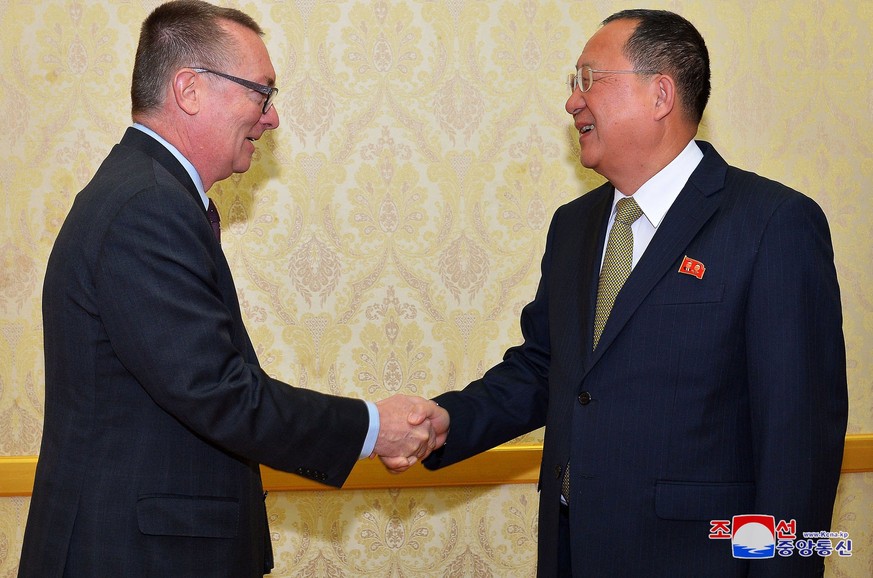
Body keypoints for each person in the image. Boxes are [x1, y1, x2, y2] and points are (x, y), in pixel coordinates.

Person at [18, 1, 448, 576]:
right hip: (133, 555)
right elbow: (217, 392)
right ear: (190, 90)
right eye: (261, 93)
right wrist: (373, 426)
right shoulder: (145, 206)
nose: (271, 119)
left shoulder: (148, 192)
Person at [419, 9, 847, 577]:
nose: (572, 102)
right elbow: (549, 370)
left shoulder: (772, 225)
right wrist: (447, 421)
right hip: (574, 553)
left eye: (588, 79)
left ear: (660, 94)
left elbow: (798, 449)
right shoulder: (572, 227)